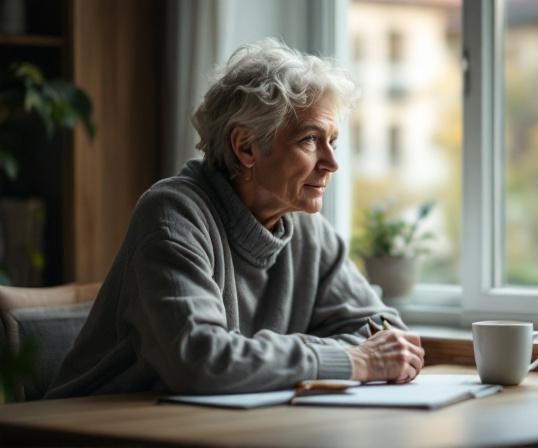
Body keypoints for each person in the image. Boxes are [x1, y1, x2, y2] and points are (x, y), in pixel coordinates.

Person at [46, 39, 424, 398]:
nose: (332, 163)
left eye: (333, 141)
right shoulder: (173, 215)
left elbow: (389, 336)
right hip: (91, 429)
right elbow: (200, 361)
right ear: (245, 147)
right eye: (310, 140)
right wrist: (346, 359)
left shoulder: (308, 233)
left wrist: (327, 359)